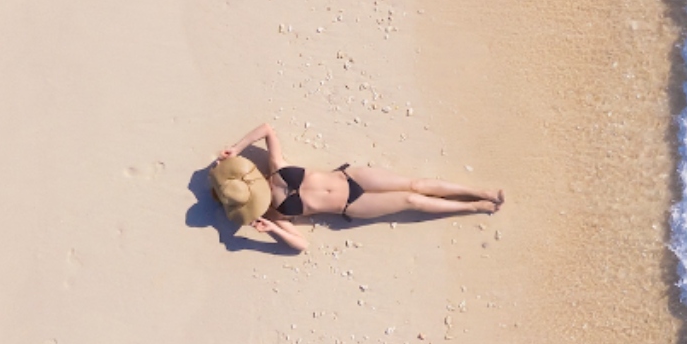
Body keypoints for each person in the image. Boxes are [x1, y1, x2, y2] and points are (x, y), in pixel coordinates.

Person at [209, 123, 503, 251]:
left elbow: (266, 130)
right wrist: (271, 230)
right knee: (413, 200)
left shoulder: (276, 169)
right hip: (351, 207)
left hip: (352, 178)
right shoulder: (274, 215)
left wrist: (236, 148)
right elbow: (302, 245)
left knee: (414, 183)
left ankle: (481, 192)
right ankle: (472, 206)